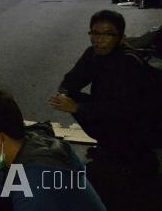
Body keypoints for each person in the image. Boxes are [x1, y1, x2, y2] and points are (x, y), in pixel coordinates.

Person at [49, 10, 158, 182]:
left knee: (84, 106)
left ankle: (133, 156)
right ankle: (110, 145)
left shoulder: (128, 62)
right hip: (114, 111)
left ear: (121, 38)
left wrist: (78, 107)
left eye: (107, 34)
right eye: (95, 33)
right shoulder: (93, 53)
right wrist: (63, 94)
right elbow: (71, 80)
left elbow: (127, 109)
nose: (99, 39)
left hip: (144, 124)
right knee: (73, 98)